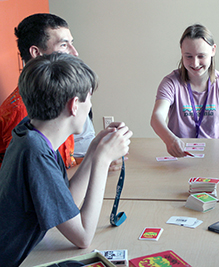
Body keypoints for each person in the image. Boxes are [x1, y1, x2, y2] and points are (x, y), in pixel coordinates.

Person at [0, 53, 133, 266]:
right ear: (74, 105)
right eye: (88, 98)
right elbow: (83, 237)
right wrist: (102, 160)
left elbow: (66, 203)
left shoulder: (31, 135)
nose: (89, 106)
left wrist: (92, 151)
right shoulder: (36, 153)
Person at [0, 13, 96, 169]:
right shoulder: (23, 112)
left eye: (71, 43)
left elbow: (64, 162)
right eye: (64, 45)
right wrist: (96, 162)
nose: (75, 52)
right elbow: (36, 177)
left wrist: (97, 157)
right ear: (36, 53)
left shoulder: (56, 96)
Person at [150, 24, 219, 157]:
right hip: (181, 157)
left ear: (213, 50)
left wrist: (215, 149)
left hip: (217, 157)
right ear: (181, 52)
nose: (195, 63)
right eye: (188, 56)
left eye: (201, 56)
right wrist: (169, 140)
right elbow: (156, 118)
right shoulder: (171, 82)